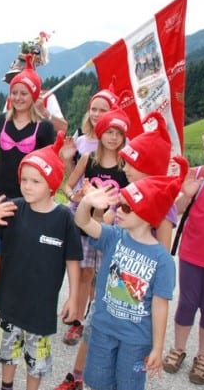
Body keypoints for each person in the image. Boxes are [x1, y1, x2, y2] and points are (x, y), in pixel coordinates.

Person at [56, 111, 176, 390]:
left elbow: (162, 257)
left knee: (125, 371)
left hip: (136, 307)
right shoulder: (128, 194)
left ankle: (79, 375)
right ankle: (78, 375)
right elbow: (97, 225)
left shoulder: (161, 206)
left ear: (149, 167)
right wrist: (94, 206)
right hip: (112, 286)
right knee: (96, 337)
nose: (126, 168)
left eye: (132, 163)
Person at [74, 156, 188, 390]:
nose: (118, 211)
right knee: (97, 383)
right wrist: (87, 202)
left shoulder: (163, 260)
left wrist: (157, 347)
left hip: (136, 340)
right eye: (119, 205)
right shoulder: (113, 236)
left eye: (126, 207)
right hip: (103, 330)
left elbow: (160, 305)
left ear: (147, 215)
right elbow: (83, 222)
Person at [0, 132, 82, 390]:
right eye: (24, 179)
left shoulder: (63, 218)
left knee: (36, 360)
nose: (26, 186)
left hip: (41, 307)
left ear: (52, 185)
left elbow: (72, 259)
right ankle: (6, 385)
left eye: (35, 181)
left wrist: (74, 297)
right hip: (11, 301)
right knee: (8, 351)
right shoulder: (12, 209)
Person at [0, 54, 56, 319]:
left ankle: (19, 296)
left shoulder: (43, 127)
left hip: (31, 198)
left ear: (33, 95)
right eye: (15, 92)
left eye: (24, 92)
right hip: (1, 195)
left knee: (24, 251)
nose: (19, 97)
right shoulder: (1, 123)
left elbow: (51, 164)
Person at [60, 106, 129, 346]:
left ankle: (105, 323)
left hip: (111, 231)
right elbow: (67, 186)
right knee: (84, 274)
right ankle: (76, 321)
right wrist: (74, 197)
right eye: (109, 131)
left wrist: (116, 211)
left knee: (110, 278)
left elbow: (131, 197)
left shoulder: (126, 165)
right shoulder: (89, 159)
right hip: (84, 226)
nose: (113, 137)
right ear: (99, 133)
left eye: (118, 133)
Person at [162, 154, 204, 384]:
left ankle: (203, 357)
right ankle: (178, 349)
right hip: (192, 252)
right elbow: (175, 211)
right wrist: (187, 195)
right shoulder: (197, 175)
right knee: (187, 303)